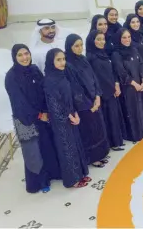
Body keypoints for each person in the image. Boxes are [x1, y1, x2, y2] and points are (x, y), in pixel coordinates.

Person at [5, 44, 61, 193]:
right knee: (33, 152)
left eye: (26, 54)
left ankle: (52, 174)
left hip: (42, 116)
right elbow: (19, 102)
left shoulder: (35, 70)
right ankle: (39, 182)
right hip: (26, 120)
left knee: (46, 146)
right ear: (14, 58)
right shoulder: (11, 77)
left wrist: (46, 110)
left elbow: (44, 90)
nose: (24, 58)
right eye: (20, 55)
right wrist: (38, 114)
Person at [42, 48, 91, 188]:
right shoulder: (49, 80)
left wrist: (75, 113)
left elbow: (69, 97)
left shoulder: (62, 75)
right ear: (51, 62)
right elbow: (55, 104)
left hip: (70, 116)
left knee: (74, 145)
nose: (62, 62)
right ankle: (73, 180)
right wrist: (70, 116)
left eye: (63, 59)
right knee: (66, 148)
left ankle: (80, 174)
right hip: (60, 121)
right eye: (58, 60)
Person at [64, 34, 110, 168]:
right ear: (69, 47)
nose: (79, 48)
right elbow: (75, 88)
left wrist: (97, 96)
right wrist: (89, 105)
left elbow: (93, 78)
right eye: (76, 46)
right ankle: (93, 158)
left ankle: (101, 154)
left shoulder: (83, 59)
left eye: (81, 45)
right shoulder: (68, 65)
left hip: (94, 101)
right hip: (84, 106)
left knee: (98, 129)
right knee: (89, 132)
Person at [85, 30, 127, 151]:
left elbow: (111, 71)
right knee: (107, 119)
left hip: (112, 91)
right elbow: (95, 78)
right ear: (92, 41)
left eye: (103, 39)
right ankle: (110, 144)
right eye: (98, 39)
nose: (101, 42)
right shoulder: (91, 58)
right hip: (103, 94)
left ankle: (116, 141)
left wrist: (116, 84)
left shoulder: (103, 54)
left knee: (114, 117)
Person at [111, 28, 143, 142]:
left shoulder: (134, 49)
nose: (127, 39)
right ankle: (135, 134)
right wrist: (134, 84)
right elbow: (121, 72)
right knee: (132, 110)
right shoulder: (116, 54)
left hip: (140, 84)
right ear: (119, 39)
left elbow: (141, 65)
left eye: (129, 37)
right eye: (124, 37)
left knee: (141, 108)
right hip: (128, 87)